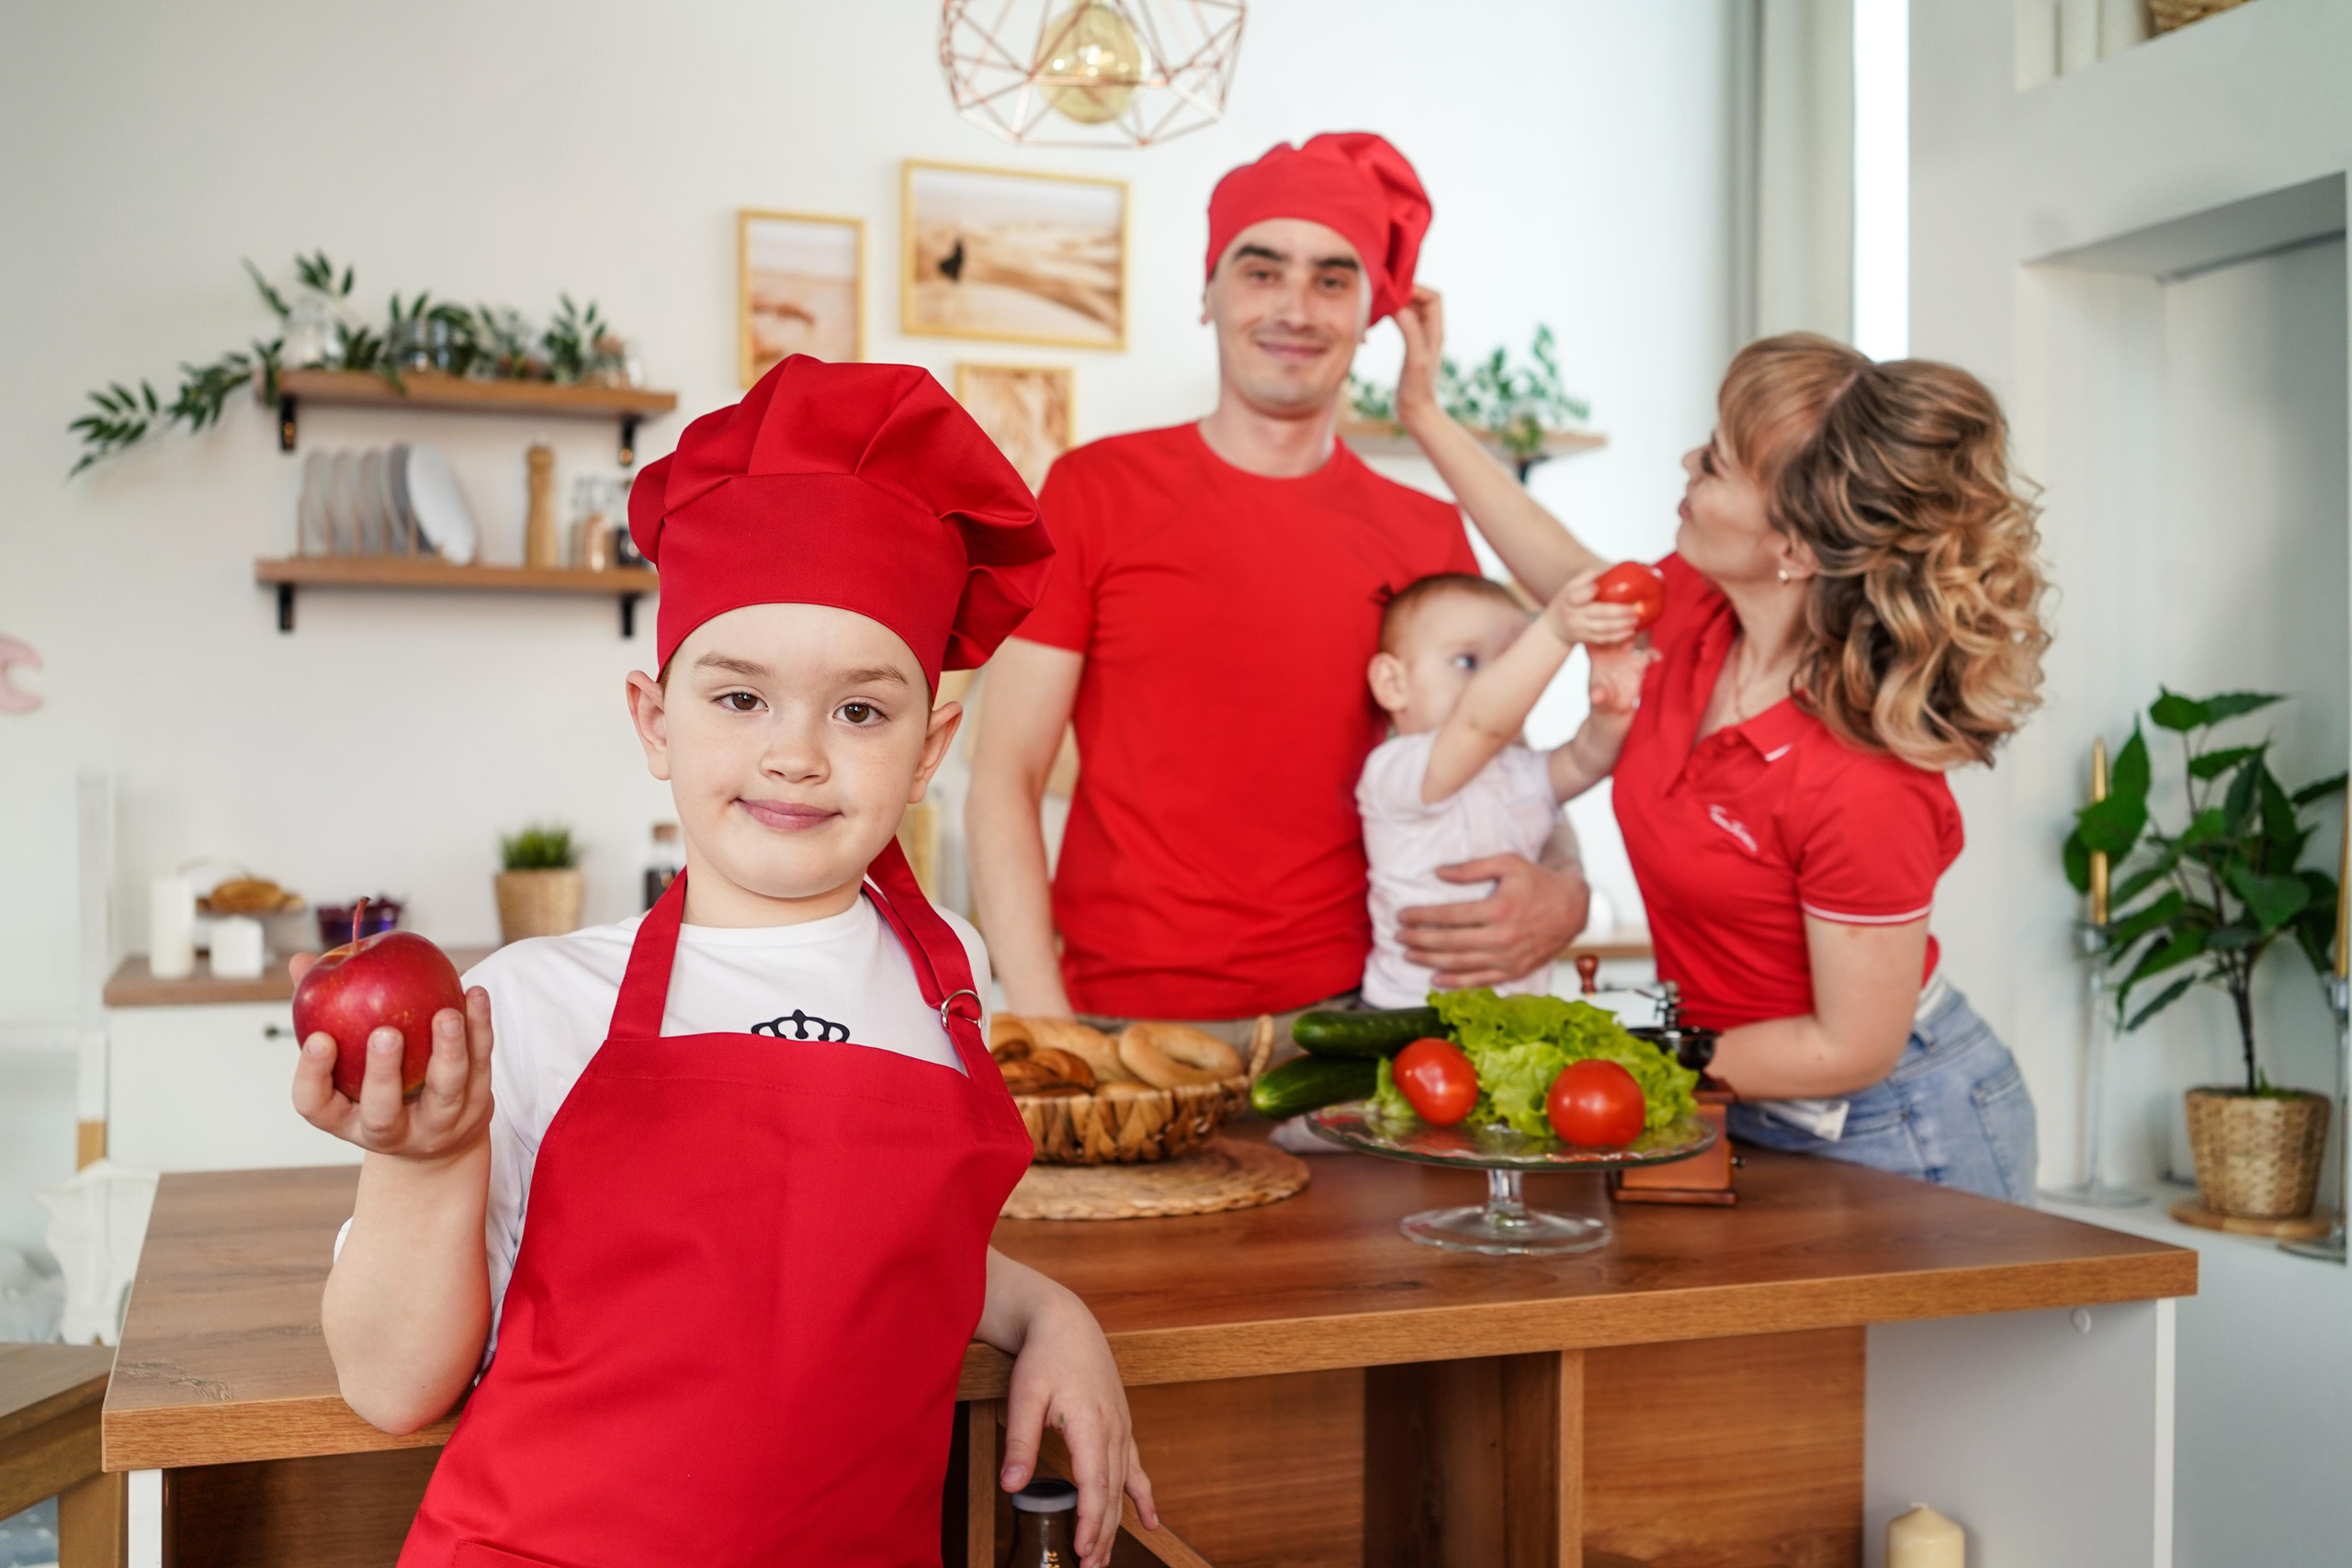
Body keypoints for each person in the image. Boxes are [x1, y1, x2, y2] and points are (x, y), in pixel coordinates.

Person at [291, 357, 1155, 1568]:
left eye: (860, 711)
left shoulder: (945, 971)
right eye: (740, 697)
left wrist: (1049, 1307)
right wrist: (424, 1162)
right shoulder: (536, 1002)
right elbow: (389, 1382)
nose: (795, 753)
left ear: (928, 749)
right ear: (655, 718)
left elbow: (889, 1248)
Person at [1395, 293, 2050, 1203]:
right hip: (1740, 1100)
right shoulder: (1699, 616)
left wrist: (1618, 1050)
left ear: (1792, 546)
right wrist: (1424, 417)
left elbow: (1850, 1045)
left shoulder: (1858, 779)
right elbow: (1568, 579)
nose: (1686, 464)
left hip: (1898, 1129)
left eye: (1717, 463)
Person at [969, 132, 1592, 1046]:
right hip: (1123, 1019)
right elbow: (1004, 778)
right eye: (1262, 271)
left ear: (1370, 313)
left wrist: (1566, 887)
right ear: (1208, 292)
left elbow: (1501, 760)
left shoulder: (1423, 531)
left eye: (1332, 279)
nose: (1296, 307)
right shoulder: (1093, 492)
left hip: (1369, 1017)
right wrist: (1046, 1026)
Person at [1357, 571, 1652, 1010]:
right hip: (1408, 1016)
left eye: (1512, 663)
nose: (1500, 686)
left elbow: (1587, 759)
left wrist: (1613, 709)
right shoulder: (1395, 770)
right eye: (1468, 662)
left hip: (1514, 1015)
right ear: (1393, 684)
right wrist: (1552, 629)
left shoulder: (1516, 768)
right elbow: (1480, 723)